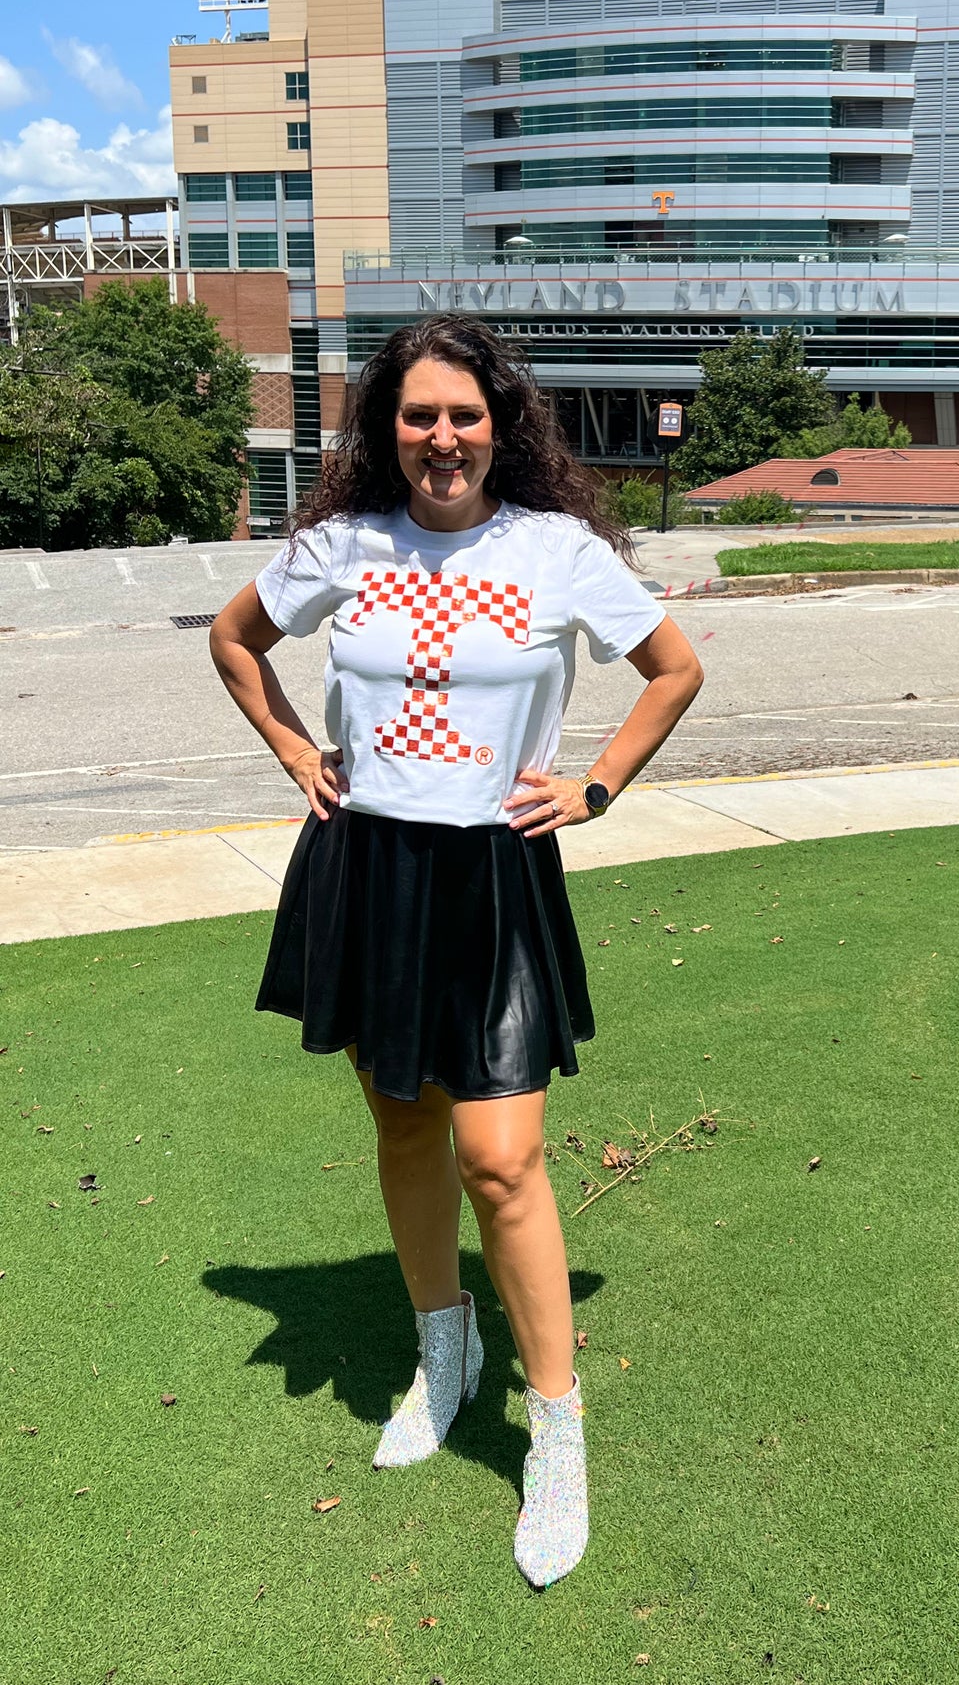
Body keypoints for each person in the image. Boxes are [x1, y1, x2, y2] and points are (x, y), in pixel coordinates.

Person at [209, 313, 703, 1588]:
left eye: (464, 415)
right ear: (388, 426)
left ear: (503, 422)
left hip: (490, 870)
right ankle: (445, 1351)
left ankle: (555, 1426)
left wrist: (594, 788)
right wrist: (290, 749)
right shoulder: (340, 546)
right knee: (400, 1123)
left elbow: (673, 670)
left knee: (502, 1154)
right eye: (418, 415)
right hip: (367, 864)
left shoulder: (557, 553)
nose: (441, 438)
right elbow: (234, 638)